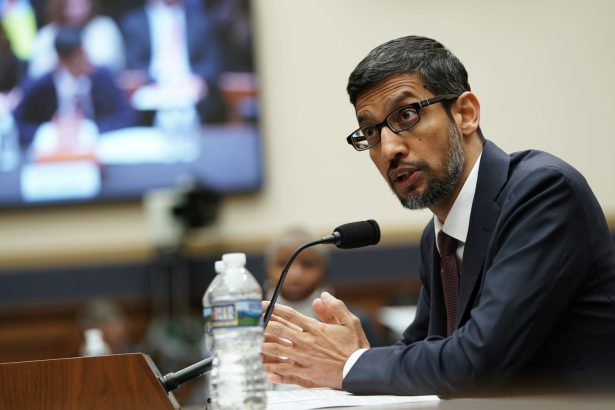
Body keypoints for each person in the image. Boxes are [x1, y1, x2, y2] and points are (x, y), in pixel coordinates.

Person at [261, 35, 615, 397]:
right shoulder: (439, 237)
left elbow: (478, 360)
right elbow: (425, 350)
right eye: (371, 131)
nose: (389, 149)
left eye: (407, 115)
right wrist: (355, 357)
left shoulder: (543, 193)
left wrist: (352, 364)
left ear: (465, 114)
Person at [13, 24, 136, 149]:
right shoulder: (40, 85)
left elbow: (127, 115)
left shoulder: (102, 77)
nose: (86, 59)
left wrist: (89, 130)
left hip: (95, 146)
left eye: (84, 53)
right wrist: (51, 132)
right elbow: (16, 125)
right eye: (79, 56)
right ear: (62, 60)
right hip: (54, 152)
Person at [263, 228, 381, 348]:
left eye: (307, 264)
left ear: (324, 269)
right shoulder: (249, 319)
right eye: (284, 263)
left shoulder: (354, 321)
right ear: (268, 269)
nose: (295, 274)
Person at [119, 0, 225, 124]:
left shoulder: (201, 20)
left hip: (192, 92)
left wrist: (198, 80)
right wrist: (153, 82)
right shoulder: (133, 22)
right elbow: (133, 65)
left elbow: (212, 64)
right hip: (152, 92)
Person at [27, 0, 125, 79]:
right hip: (54, 94)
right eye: (71, 4)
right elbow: (36, 72)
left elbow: (112, 64)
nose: (77, 10)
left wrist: (83, 67)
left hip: (99, 90)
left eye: (81, 3)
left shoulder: (104, 27)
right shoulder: (47, 35)